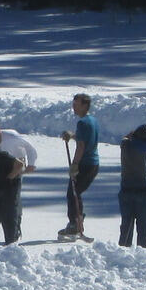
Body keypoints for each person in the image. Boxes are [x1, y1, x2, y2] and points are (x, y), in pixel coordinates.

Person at [0, 122, 37, 245]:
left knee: (13, 199)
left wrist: (31, 163)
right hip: (0, 171)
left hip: (16, 168)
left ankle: (15, 228)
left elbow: (30, 147)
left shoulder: (12, 138)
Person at [58, 93, 100, 240]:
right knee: (76, 192)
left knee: (73, 193)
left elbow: (81, 146)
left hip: (85, 164)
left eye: (76, 104)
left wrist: (75, 165)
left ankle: (75, 224)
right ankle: (77, 221)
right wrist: (72, 135)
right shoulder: (92, 120)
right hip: (94, 164)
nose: (73, 107)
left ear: (84, 105)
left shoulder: (82, 123)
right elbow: (84, 138)